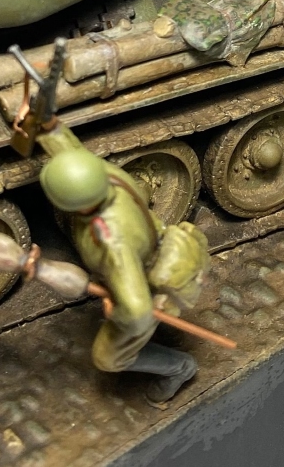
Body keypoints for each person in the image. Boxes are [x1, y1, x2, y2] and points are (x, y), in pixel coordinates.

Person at [37, 121, 210, 405]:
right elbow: (74, 155)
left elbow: (137, 311)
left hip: (147, 284)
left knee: (107, 358)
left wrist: (116, 310)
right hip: (155, 246)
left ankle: (180, 368)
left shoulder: (112, 240)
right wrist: (47, 127)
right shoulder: (107, 176)